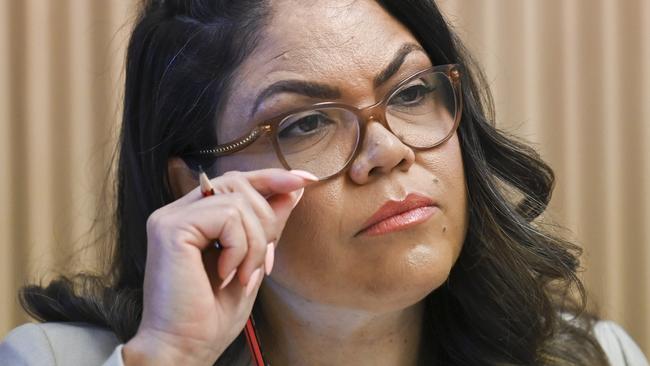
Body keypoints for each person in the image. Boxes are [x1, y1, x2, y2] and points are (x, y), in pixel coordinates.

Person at [1, 0, 648, 365]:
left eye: (413, 91)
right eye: (308, 122)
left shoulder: (594, 357)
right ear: (196, 188)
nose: (388, 151)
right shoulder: (52, 360)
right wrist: (171, 356)